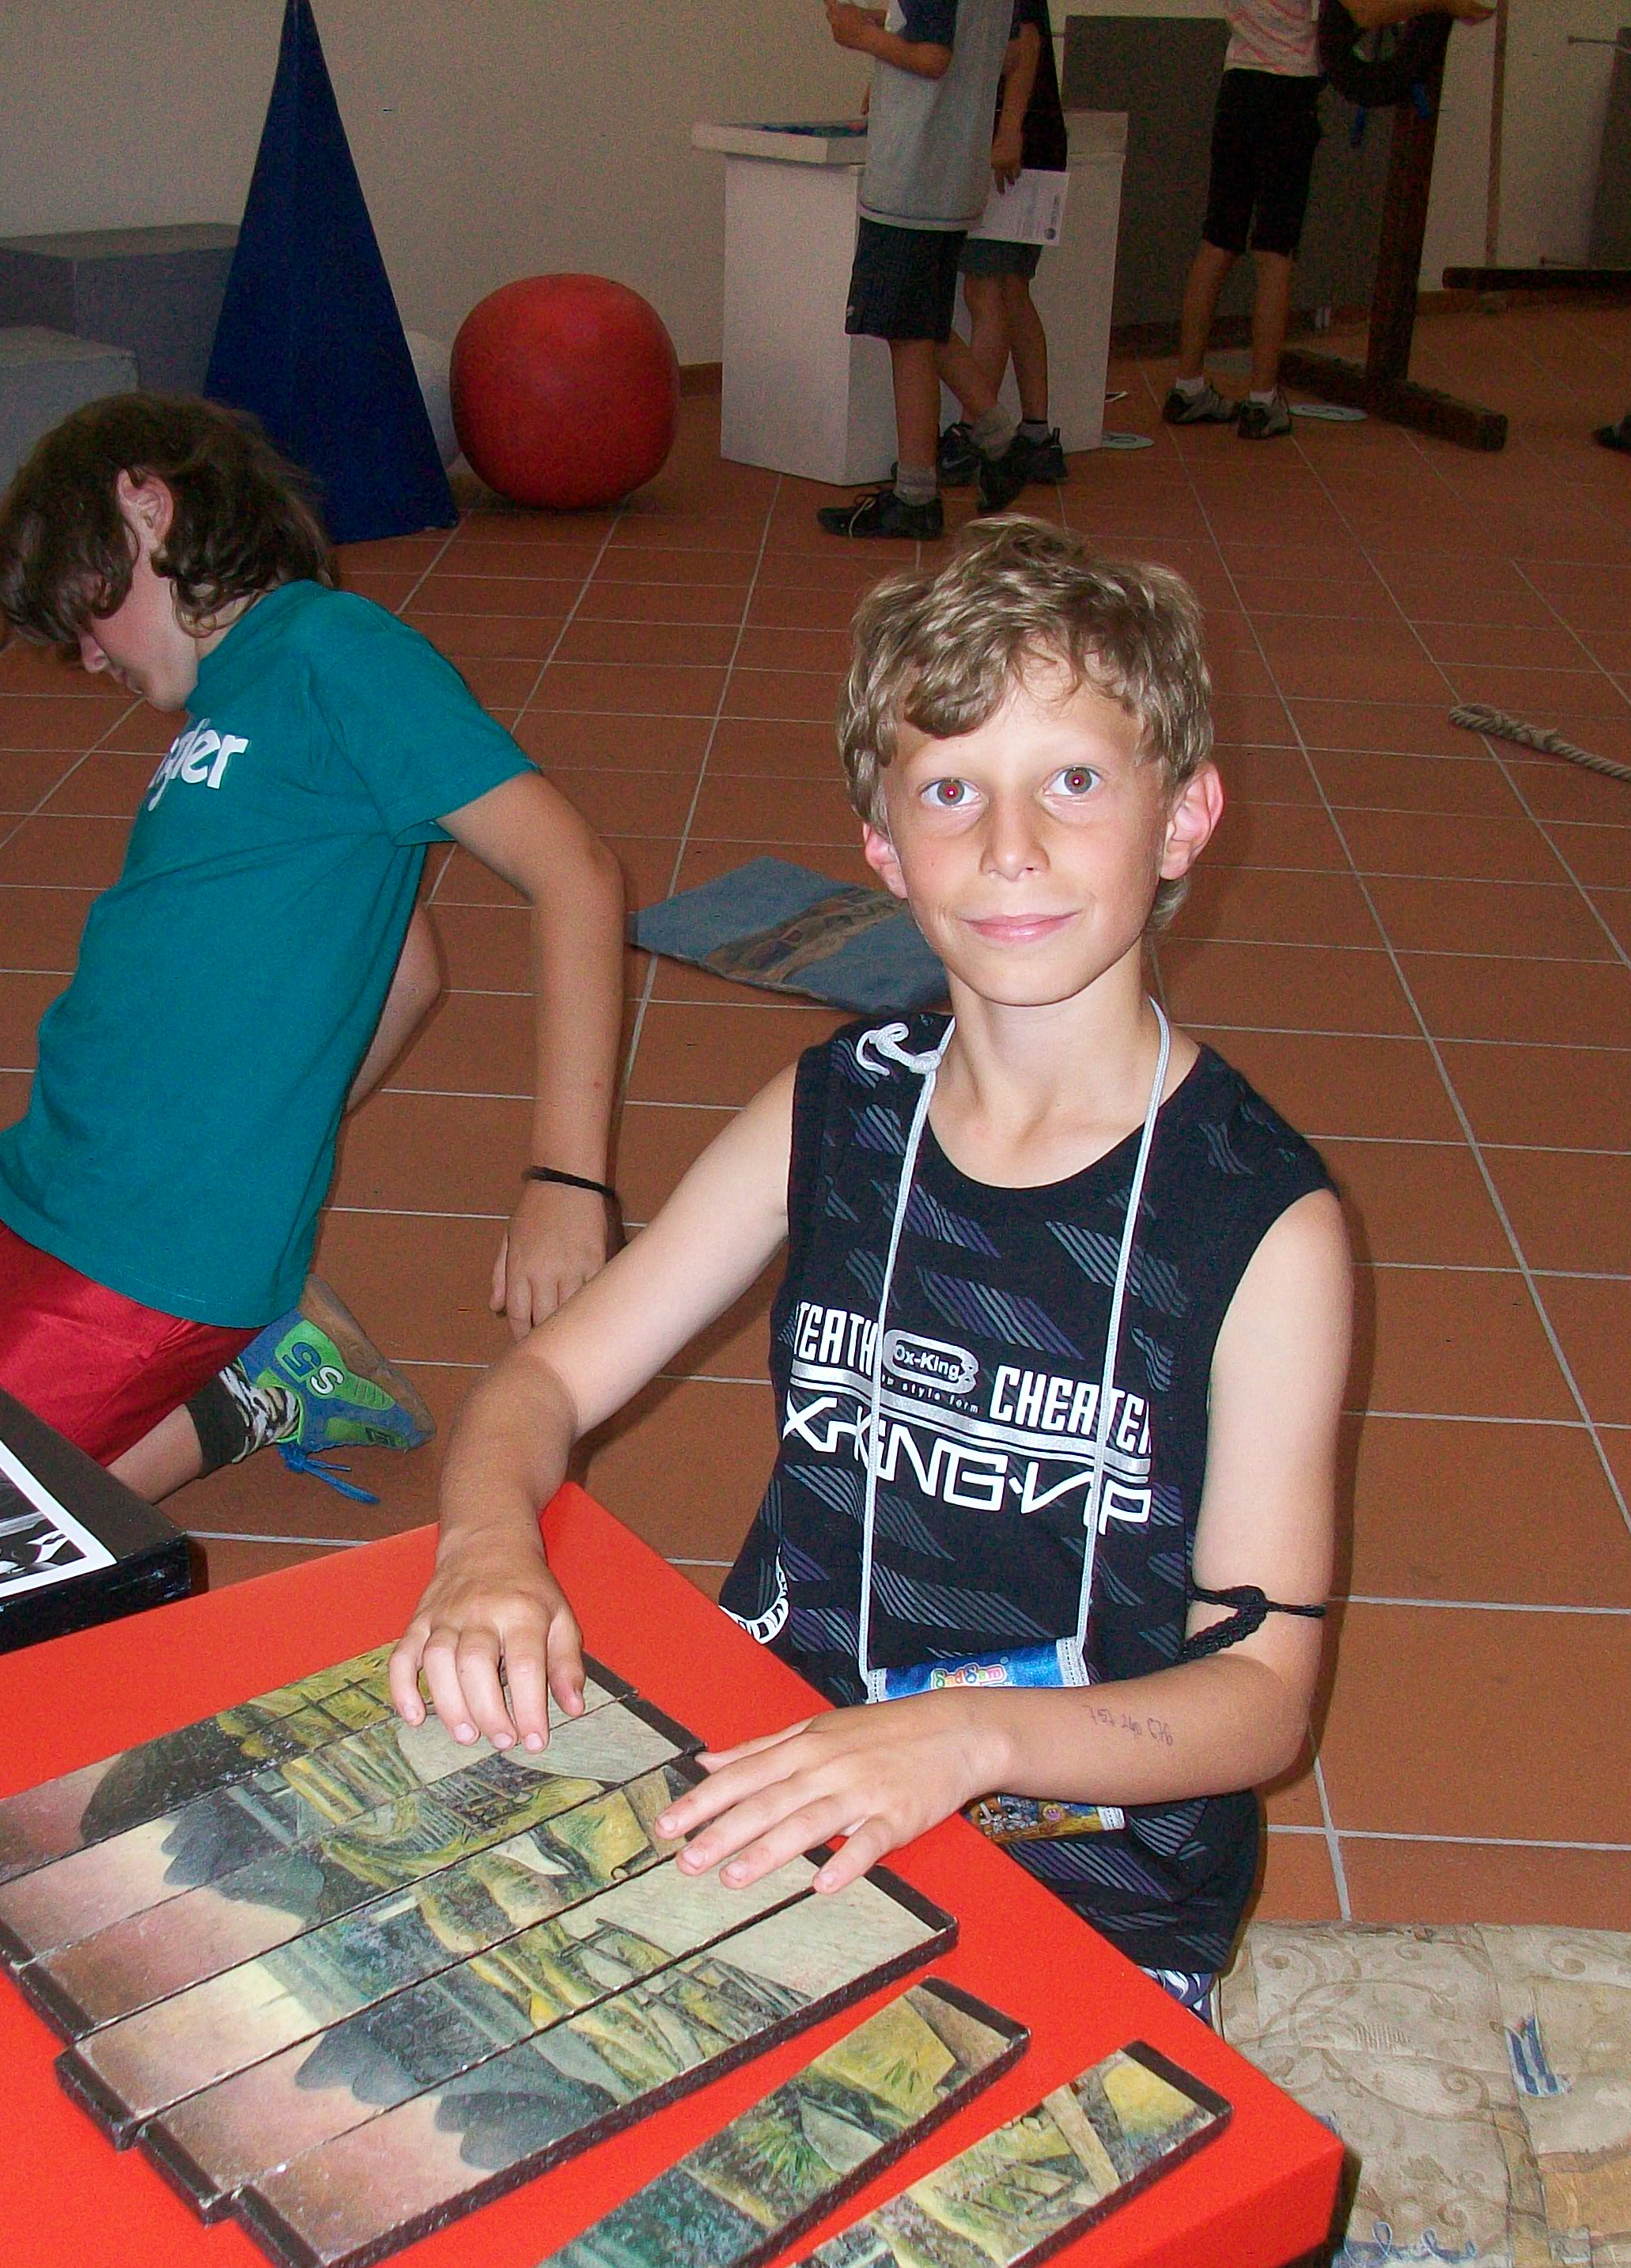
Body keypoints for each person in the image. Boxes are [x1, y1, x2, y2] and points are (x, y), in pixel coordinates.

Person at [388, 516, 1353, 2014]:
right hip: (781, 1773)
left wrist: (962, 1739)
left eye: (1074, 780)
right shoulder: (829, 1113)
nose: (1010, 846)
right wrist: (484, 1550)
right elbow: (541, 1383)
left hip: (1092, 1879)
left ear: (1183, 817)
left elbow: (1260, 1697)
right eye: (951, 789)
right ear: (884, 849)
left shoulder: (1260, 1224)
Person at [0, 395, 626, 1503]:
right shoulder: (228, 700)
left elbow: (574, 871)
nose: (89, 658)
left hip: (152, 1253)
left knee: (20, 1515)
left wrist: (566, 1180)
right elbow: (406, 965)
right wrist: (271, 1129)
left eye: (86, 614)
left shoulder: (334, 649)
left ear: (145, 507)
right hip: (52, 1178)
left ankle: (263, 1386)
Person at [1163, 0, 1491, 440]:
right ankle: (1262, 401)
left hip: (1238, 85)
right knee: (1275, 251)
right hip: (1287, 95)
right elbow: (1364, 13)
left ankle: (1187, 388)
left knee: (1218, 240)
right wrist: (1443, 3)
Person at [817, 0, 1036, 539]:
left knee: (909, 330)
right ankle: (999, 443)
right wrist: (891, 21)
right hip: (953, 169)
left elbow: (934, 57)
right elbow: (1004, 48)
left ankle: (918, 494)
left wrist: (860, 36)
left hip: (914, 171)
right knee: (923, 324)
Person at [937, 0, 1069, 488]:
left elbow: (1025, 43)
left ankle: (977, 433)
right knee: (1010, 290)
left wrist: (1009, 130)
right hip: (1031, 143)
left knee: (985, 288)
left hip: (1011, 149)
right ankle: (1036, 433)